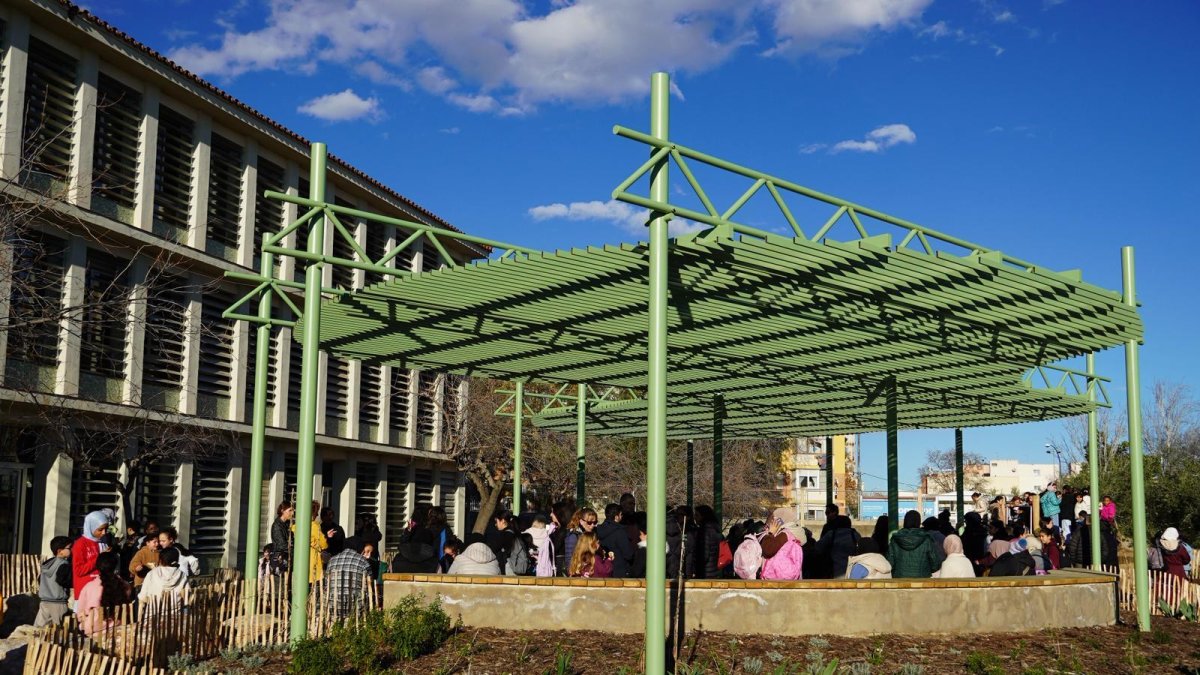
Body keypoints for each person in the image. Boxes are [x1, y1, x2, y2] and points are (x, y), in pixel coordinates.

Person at [76, 551, 131, 636]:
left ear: (97, 567)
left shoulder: (89, 587)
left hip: (93, 630)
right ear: (115, 567)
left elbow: (80, 613)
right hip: (118, 628)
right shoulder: (125, 585)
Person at [326, 536, 376, 620]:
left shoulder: (332, 560)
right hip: (355, 606)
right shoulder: (363, 561)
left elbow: (327, 581)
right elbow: (370, 582)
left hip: (332, 605)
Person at [887, 510, 942, 579]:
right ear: (918, 522)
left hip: (899, 580)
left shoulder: (895, 539)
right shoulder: (926, 539)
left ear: (905, 521)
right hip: (922, 581)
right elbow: (935, 564)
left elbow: (889, 563)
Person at [35, 536, 73, 627]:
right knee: (58, 632)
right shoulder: (63, 564)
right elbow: (64, 581)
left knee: (39, 630)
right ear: (60, 551)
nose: (71, 550)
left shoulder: (47, 564)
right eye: (69, 548)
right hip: (58, 603)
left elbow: (40, 579)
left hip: (44, 602)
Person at [72, 510, 111, 599]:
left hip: (101, 591)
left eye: (106, 529)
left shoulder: (102, 542)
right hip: (85, 594)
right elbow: (79, 570)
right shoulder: (80, 544)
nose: (104, 532)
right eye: (100, 530)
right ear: (91, 527)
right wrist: (99, 558)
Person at [760, 508, 804, 580]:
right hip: (790, 579)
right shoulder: (795, 533)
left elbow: (767, 550)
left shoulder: (784, 534)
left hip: (777, 580)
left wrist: (770, 533)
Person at [596, 504, 635, 578]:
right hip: (619, 572)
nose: (622, 517)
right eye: (621, 514)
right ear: (616, 517)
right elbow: (628, 554)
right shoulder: (620, 532)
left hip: (603, 569)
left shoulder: (598, 530)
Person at [562, 508, 597, 575]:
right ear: (581, 521)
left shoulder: (592, 534)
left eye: (595, 522)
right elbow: (569, 559)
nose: (592, 525)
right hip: (577, 575)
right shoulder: (573, 536)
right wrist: (573, 574)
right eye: (589, 522)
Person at [692, 505, 722, 579]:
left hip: (705, 571)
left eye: (697, 515)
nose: (695, 518)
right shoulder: (714, 529)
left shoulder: (704, 531)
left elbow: (704, 553)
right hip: (713, 569)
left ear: (703, 516)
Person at [305, 501, 328, 583]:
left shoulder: (297, 525)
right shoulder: (315, 526)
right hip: (313, 560)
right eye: (316, 512)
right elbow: (324, 544)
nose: (317, 515)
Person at [270, 501, 295, 571]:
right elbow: (281, 545)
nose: (292, 513)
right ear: (282, 511)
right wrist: (295, 551)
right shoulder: (277, 526)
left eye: (292, 510)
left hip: (288, 559)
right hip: (280, 561)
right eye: (290, 510)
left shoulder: (287, 525)